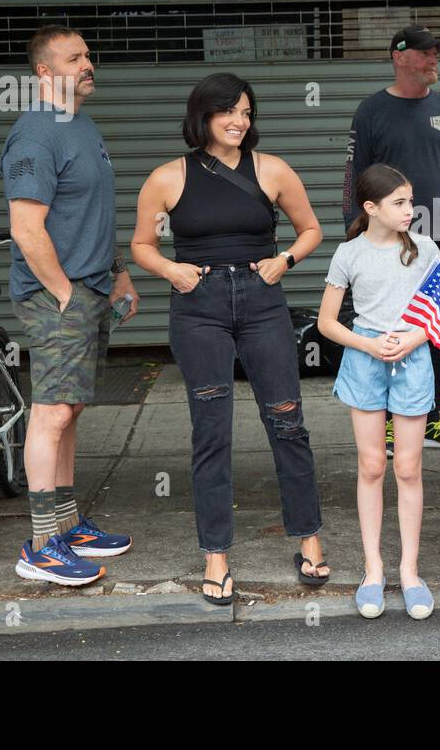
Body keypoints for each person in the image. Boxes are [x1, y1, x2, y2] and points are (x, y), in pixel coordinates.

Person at [130, 72, 328, 604]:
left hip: (263, 302)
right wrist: (171, 271)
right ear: (204, 116)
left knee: (287, 419)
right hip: (199, 306)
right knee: (211, 429)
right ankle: (216, 556)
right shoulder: (168, 177)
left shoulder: (274, 169)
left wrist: (284, 260)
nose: (240, 121)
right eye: (228, 112)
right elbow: (142, 244)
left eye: (246, 112)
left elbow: (312, 229)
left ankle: (309, 538)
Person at [2, 25, 136, 586]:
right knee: (52, 411)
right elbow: (26, 227)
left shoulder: (80, 126)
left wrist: (120, 274)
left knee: (71, 409)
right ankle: (40, 546)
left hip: (92, 287)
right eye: (75, 57)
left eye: (88, 54)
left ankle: (68, 523)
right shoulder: (35, 136)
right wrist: (62, 291)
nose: (88, 63)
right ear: (42, 72)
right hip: (57, 295)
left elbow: (93, 213)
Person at [342, 25, 440, 456]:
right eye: (426, 53)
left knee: (435, 331)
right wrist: (357, 233)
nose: (435, 58)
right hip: (386, 243)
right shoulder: (371, 111)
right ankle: (383, 425)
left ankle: (429, 419)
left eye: (438, 52)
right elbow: (354, 178)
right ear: (399, 57)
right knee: (385, 327)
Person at [320, 164, 440, 620]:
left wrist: (414, 337)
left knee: (408, 467)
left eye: (410, 201)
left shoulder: (425, 249)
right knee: (372, 466)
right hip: (365, 361)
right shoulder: (349, 254)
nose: (410, 210)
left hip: (412, 361)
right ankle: (374, 570)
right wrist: (368, 343)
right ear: (371, 208)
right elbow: (327, 323)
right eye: (399, 203)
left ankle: (410, 572)